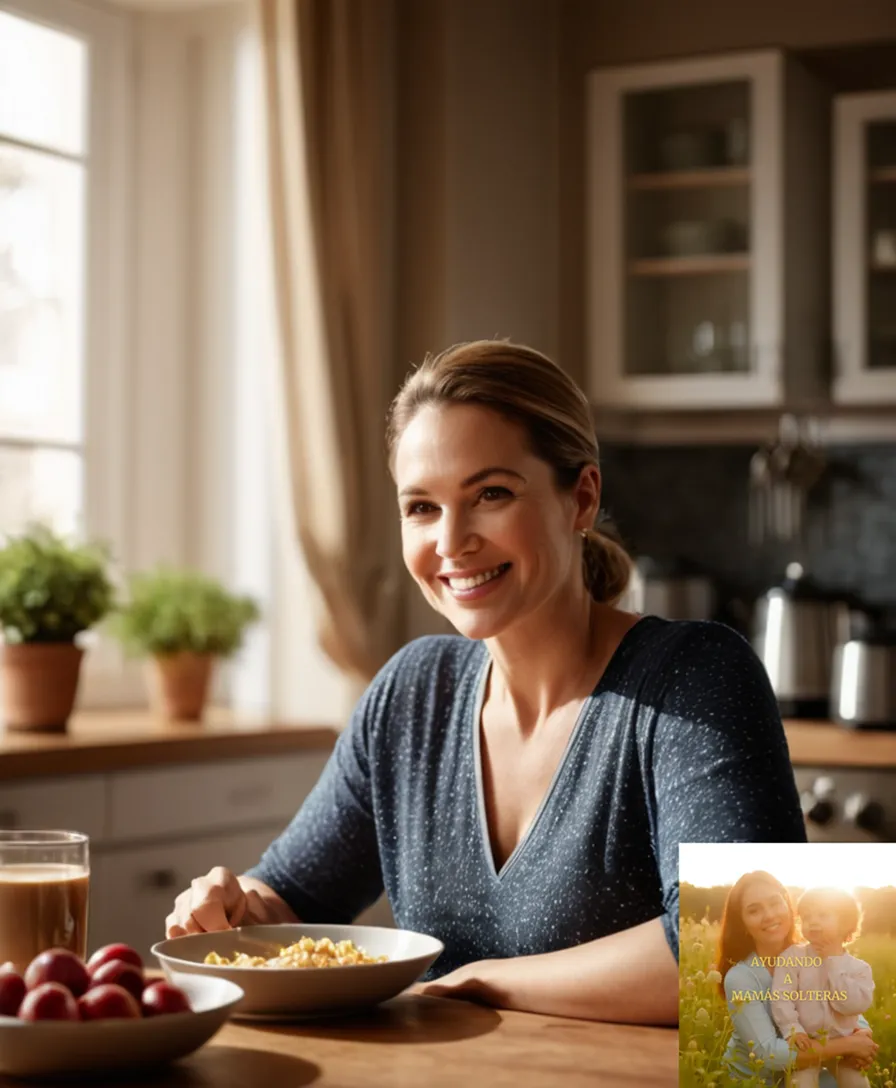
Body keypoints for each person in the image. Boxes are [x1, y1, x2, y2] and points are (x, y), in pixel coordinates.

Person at [165, 339, 808, 1024]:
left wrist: (490, 983)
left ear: (581, 498)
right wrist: (234, 907)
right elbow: (293, 896)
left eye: (490, 494)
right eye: (421, 507)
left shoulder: (694, 677)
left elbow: (755, 956)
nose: (450, 541)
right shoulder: (412, 694)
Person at [717, 871, 878, 1084]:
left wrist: (861, 1032)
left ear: (788, 906)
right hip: (757, 1080)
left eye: (775, 903)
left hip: (810, 1064)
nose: (769, 915)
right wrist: (849, 1045)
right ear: (743, 924)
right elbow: (768, 1054)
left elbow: (837, 1002)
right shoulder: (740, 978)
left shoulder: (815, 953)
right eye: (754, 910)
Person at [770, 887, 874, 1088]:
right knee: (801, 1084)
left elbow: (852, 1006)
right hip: (808, 1043)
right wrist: (793, 1030)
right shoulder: (792, 958)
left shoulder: (859, 969)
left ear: (845, 924)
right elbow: (781, 997)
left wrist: (832, 963)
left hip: (845, 1046)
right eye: (807, 917)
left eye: (823, 915)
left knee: (858, 1083)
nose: (813, 922)